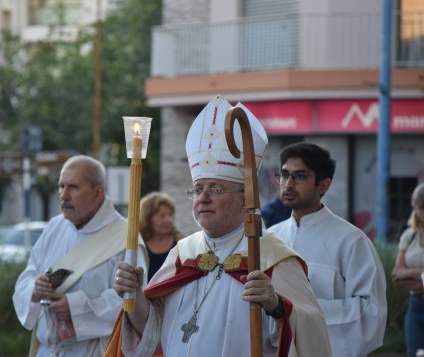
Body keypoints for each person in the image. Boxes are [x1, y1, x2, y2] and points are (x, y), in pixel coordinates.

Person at [106, 95, 330, 357]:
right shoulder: (183, 254)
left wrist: (276, 305)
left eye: (216, 189)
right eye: (198, 189)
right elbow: (152, 334)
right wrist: (136, 298)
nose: (203, 198)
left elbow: (312, 329)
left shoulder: (272, 257)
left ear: (245, 197)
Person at [12, 155, 147, 357]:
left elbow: (131, 303)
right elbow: (28, 275)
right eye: (61, 186)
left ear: (98, 193)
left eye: (73, 187)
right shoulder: (54, 227)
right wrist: (35, 289)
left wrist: (76, 308)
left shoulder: (125, 238)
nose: (63, 195)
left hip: (94, 351)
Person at [268, 142, 387, 357]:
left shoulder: (351, 240)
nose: (288, 183)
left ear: (324, 185)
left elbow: (371, 313)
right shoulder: (271, 238)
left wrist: (298, 311)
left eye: (301, 176)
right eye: (284, 175)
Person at [392, 183, 424, 357]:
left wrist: (410, 272)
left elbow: (403, 273)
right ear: (415, 207)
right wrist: (422, 276)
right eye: (422, 207)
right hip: (416, 305)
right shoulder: (409, 235)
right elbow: (396, 278)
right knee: (415, 353)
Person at [139, 192, 182, 281]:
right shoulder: (139, 245)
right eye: (162, 216)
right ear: (148, 218)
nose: (169, 220)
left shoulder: (181, 244)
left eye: (170, 215)